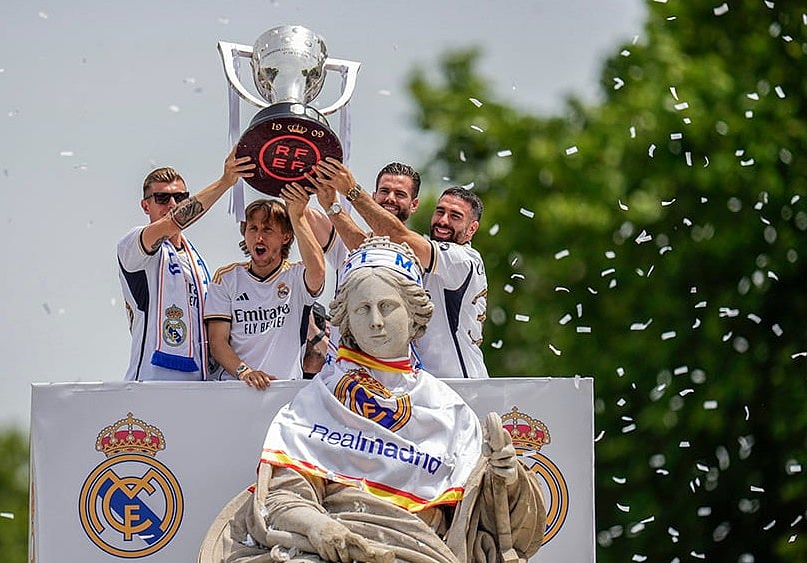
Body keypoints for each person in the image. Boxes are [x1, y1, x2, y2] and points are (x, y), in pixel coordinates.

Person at [199, 237, 545, 562]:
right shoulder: (319, 399)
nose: (376, 321)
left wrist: (508, 479)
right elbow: (283, 497)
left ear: (414, 315)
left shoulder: (448, 409)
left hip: (419, 551)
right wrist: (318, 527)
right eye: (362, 309)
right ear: (346, 319)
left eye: (387, 306)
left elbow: (494, 526)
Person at [309, 158, 489, 379]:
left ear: (472, 229)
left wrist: (352, 191)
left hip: (460, 384)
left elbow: (396, 236)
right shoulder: (425, 254)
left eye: (455, 216)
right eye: (440, 211)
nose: (443, 221)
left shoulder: (463, 259)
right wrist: (329, 205)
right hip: (420, 385)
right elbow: (368, 246)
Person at [117, 148, 254, 381]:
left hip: (199, 384)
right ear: (145, 206)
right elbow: (173, 221)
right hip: (152, 382)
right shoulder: (134, 244)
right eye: (162, 198)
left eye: (180, 198)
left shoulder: (196, 260)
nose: (172, 204)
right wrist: (225, 182)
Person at [204, 183, 325, 390]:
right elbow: (217, 342)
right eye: (253, 229)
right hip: (235, 389)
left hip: (285, 392)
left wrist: (297, 216)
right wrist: (246, 372)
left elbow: (318, 273)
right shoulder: (226, 278)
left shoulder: (296, 276)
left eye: (268, 229)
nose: (259, 237)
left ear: (286, 237)